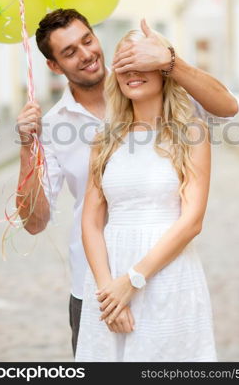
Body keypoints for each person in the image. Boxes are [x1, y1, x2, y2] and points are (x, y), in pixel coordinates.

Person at [16, 8, 238, 357]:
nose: (86, 53)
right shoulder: (69, 129)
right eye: (70, 51)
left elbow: (228, 106)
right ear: (55, 66)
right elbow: (34, 222)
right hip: (95, 285)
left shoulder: (175, 112)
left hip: (165, 275)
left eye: (87, 40)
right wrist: (28, 147)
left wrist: (169, 61)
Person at [75, 29, 217, 362]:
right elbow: (91, 223)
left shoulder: (191, 133)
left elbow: (192, 220)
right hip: (109, 280)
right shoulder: (103, 139)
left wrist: (134, 279)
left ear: (162, 69)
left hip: (167, 275)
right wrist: (108, 291)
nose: (132, 72)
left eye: (141, 61)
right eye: (124, 64)